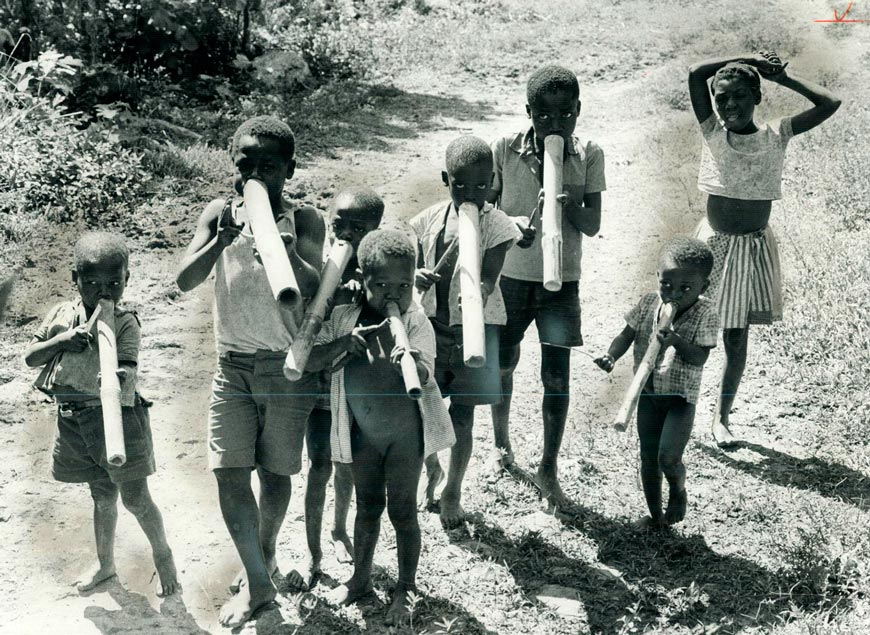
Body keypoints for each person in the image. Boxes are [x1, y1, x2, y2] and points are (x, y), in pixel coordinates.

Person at [175, 115, 324, 627]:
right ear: (233, 166)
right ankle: (261, 587)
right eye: (246, 165)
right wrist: (221, 240)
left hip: (286, 370)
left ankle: (259, 556)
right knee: (229, 473)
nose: (256, 175)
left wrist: (278, 245)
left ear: (289, 170)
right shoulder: (220, 211)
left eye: (269, 166)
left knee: (275, 472)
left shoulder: (306, 220)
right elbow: (183, 280)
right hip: (231, 366)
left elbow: (313, 287)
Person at [687, 51, 841, 447]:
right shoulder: (712, 132)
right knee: (687, 329)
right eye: (721, 98)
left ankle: (721, 418)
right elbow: (694, 73)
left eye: (739, 95)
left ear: (757, 96)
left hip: (750, 252)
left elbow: (830, 103)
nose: (729, 105)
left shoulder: (776, 134)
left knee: (735, 339)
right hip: (712, 247)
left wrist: (781, 77)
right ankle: (675, 404)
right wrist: (745, 58)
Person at [306, 229, 454, 625]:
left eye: (404, 284)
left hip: (405, 439)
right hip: (362, 435)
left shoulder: (415, 320)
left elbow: (426, 374)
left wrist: (411, 358)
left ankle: (406, 587)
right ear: (363, 281)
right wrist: (344, 347)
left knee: (403, 511)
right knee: (368, 507)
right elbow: (318, 361)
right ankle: (360, 580)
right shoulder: (345, 318)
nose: (394, 293)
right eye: (381, 285)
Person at [23, 231, 179, 596]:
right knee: (101, 496)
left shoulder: (126, 322)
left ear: (127, 279)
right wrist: (61, 341)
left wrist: (117, 375)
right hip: (74, 420)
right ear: (74, 279)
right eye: (91, 282)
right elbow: (31, 357)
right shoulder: (62, 315)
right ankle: (106, 565)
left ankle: (163, 553)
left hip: (115, 420)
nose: (103, 292)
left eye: (114, 283)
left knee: (135, 497)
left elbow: (128, 367)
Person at [488, 64, 605, 509]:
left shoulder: (588, 153)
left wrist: (570, 201)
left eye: (565, 115)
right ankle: (502, 445)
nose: (554, 124)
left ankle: (548, 467)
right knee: (504, 361)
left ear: (578, 111)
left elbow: (592, 225)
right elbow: (486, 210)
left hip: (561, 282)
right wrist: (513, 226)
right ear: (529, 112)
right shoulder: (504, 148)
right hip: (512, 276)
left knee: (556, 374)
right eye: (543, 116)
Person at [410, 135, 519, 528]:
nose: (471, 193)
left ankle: (453, 490)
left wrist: (479, 291)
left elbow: (490, 276)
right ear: (446, 180)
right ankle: (432, 469)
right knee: (424, 410)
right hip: (432, 331)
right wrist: (417, 276)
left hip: (478, 331)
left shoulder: (498, 224)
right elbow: (416, 271)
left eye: (480, 185)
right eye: (461, 185)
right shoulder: (427, 220)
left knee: (464, 417)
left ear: (492, 181)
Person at [286, 186, 384, 592]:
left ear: (375, 232)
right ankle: (312, 552)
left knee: (346, 466)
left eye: (358, 229)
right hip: (317, 383)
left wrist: (367, 288)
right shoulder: (319, 267)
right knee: (319, 466)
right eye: (338, 226)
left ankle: (339, 528)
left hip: (353, 387)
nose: (345, 236)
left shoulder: (377, 275)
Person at [595, 238, 719, 528]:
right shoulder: (649, 303)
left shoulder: (706, 314)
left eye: (685, 289)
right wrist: (611, 356)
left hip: (679, 400)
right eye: (666, 285)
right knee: (648, 458)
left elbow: (699, 358)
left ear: (704, 287)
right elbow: (626, 335)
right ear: (658, 278)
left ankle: (678, 490)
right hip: (649, 394)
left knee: (668, 458)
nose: (673, 294)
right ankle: (656, 518)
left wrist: (676, 340)